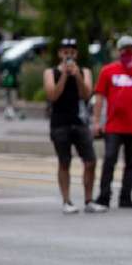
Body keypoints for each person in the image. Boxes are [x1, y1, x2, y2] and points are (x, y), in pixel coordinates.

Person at [91, 36, 132, 210]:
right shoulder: (108, 71)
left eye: (131, 50)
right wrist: (96, 121)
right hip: (113, 125)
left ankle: (125, 197)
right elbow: (99, 97)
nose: (128, 53)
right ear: (119, 51)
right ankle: (104, 195)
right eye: (125, 50)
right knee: (110, 159)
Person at [43, 38, 98, 214]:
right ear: (60, 54)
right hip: (60, 122)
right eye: (65, 52)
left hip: (79, 121)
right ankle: (66, 200)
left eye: (72, 52)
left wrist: (77, 76)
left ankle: (89, 200)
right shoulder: (51, 72)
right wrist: (65, 75)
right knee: (64, 162)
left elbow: (86, 94)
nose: (69, 55)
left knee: (90, 161)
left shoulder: (84, 71)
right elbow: (52, 96)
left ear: (77, 54)